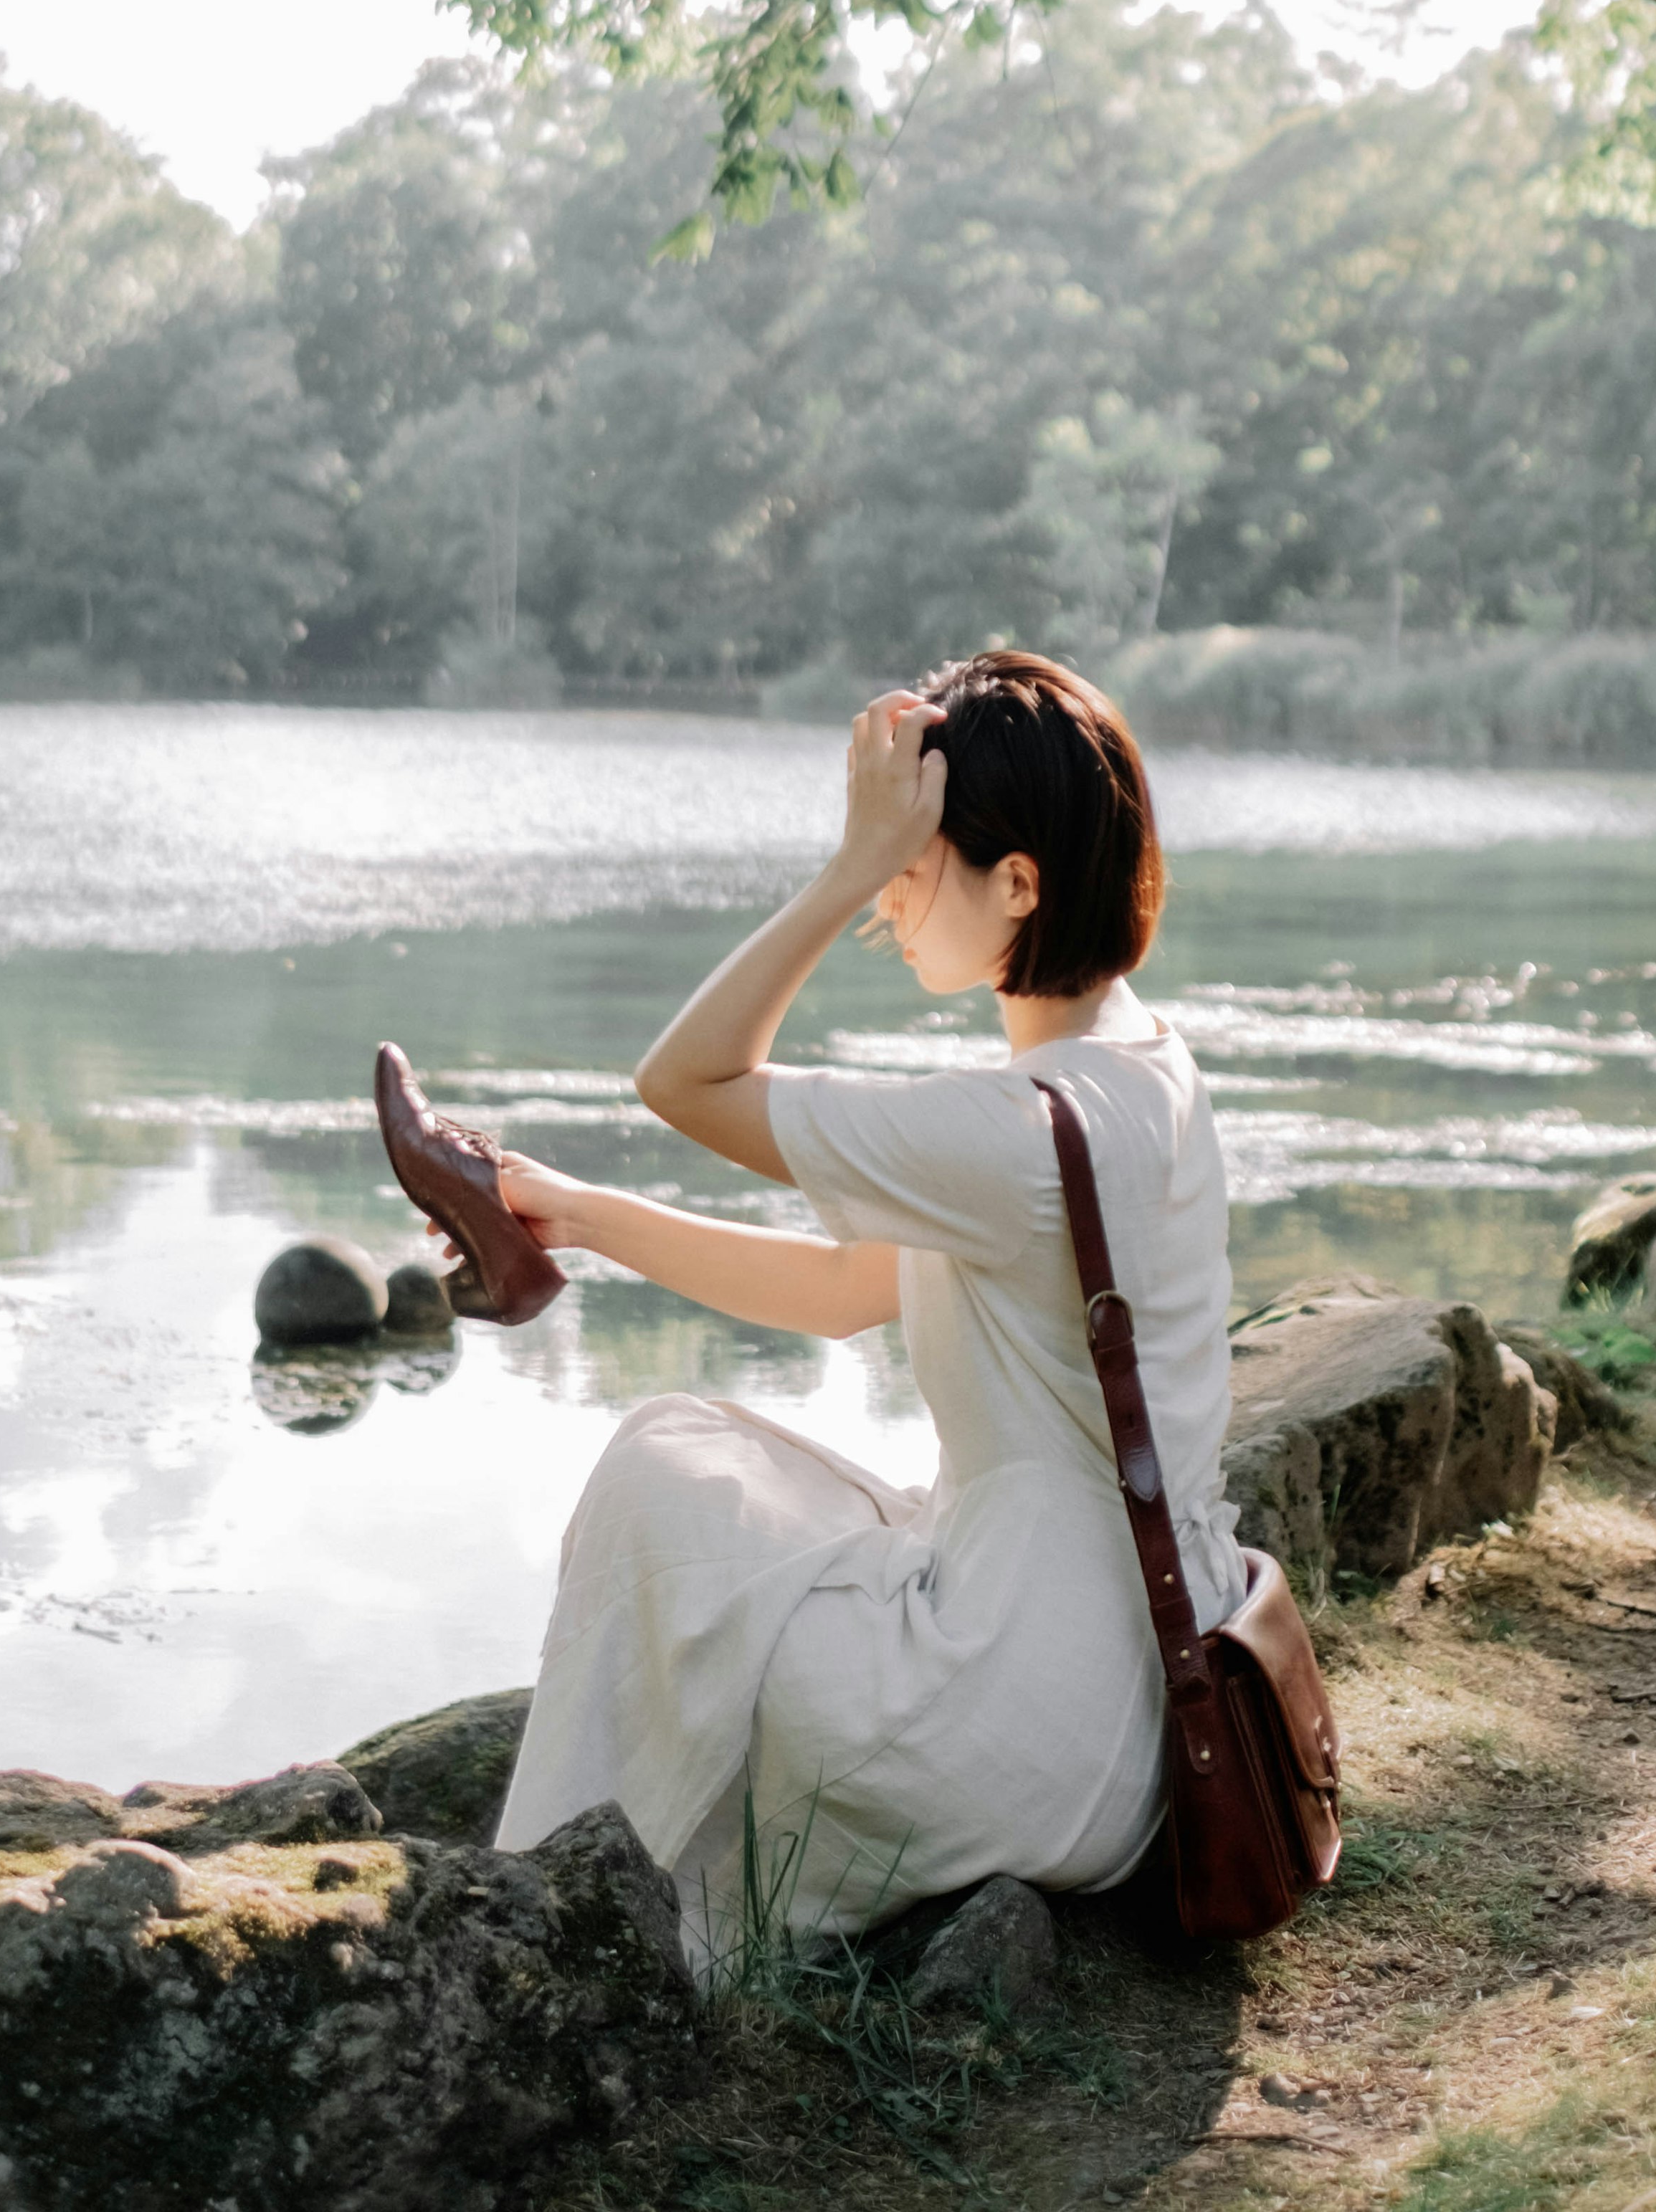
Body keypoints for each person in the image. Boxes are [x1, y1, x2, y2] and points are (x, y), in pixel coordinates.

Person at [473, 651, 1244, 1962]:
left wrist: (837, 870)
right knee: (706, 1454)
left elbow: (686, 1079)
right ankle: (587, 1895)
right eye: (885, 860)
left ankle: (556, 1924)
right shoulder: (1133, 1068)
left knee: (663, 1472)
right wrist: (575, 1213)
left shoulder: (1021, 1130)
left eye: (913, 856)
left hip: (1017, 1717)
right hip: (1131, 1712)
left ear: (1020, 884)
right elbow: (840, 1294)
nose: (891, 894)